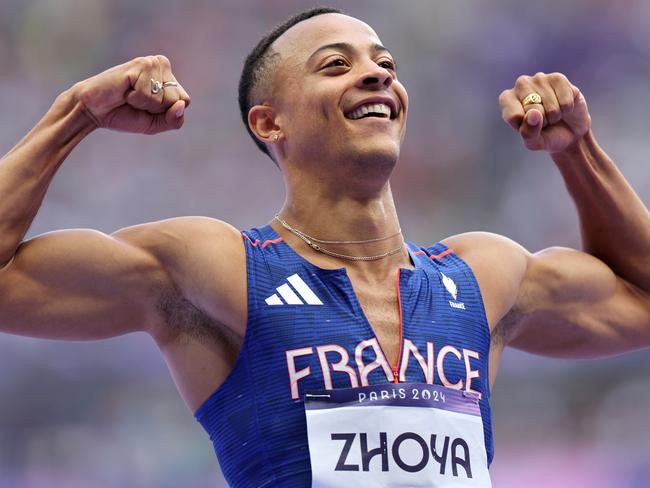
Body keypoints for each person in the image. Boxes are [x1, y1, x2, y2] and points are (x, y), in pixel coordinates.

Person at [0, 6, 648, 487]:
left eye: (385, 65)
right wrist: (75, 113)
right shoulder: (219, 270)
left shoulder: (484, 275)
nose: (375, 76)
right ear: (269, 122)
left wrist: (578, 151)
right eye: (337, 65)